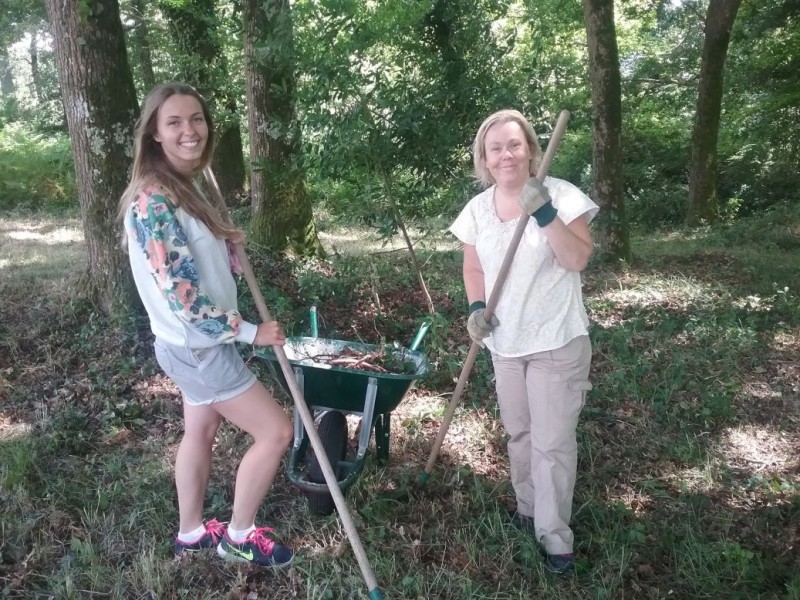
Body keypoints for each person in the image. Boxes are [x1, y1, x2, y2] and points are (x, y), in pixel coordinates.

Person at [117, 82, 294, 567]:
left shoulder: (180, 188)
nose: (189, 131)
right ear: (153, 132)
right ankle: (239, 535)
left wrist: (222, 241)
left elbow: (193, 265)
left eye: (196, 119)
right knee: (276, 432)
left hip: (187, 346)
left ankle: (192, 532)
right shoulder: (154, 201)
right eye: (174, 122)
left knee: (201, 430)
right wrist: (249, 331)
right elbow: (182, 295)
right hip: (199, 347)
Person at [449, 109, 598, 574]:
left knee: (551, 442)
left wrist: (546, 213)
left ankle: (555, 539)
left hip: (556, 339)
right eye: (495, 148)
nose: (505, 154)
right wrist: (476, 309)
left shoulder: (561, 195)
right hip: (506, 344)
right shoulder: (477, 209)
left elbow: (576, 259)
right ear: (484, 158)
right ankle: (528, 509)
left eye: (514, 145)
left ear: (532, 150)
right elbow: (474, 270)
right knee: (521, 434)